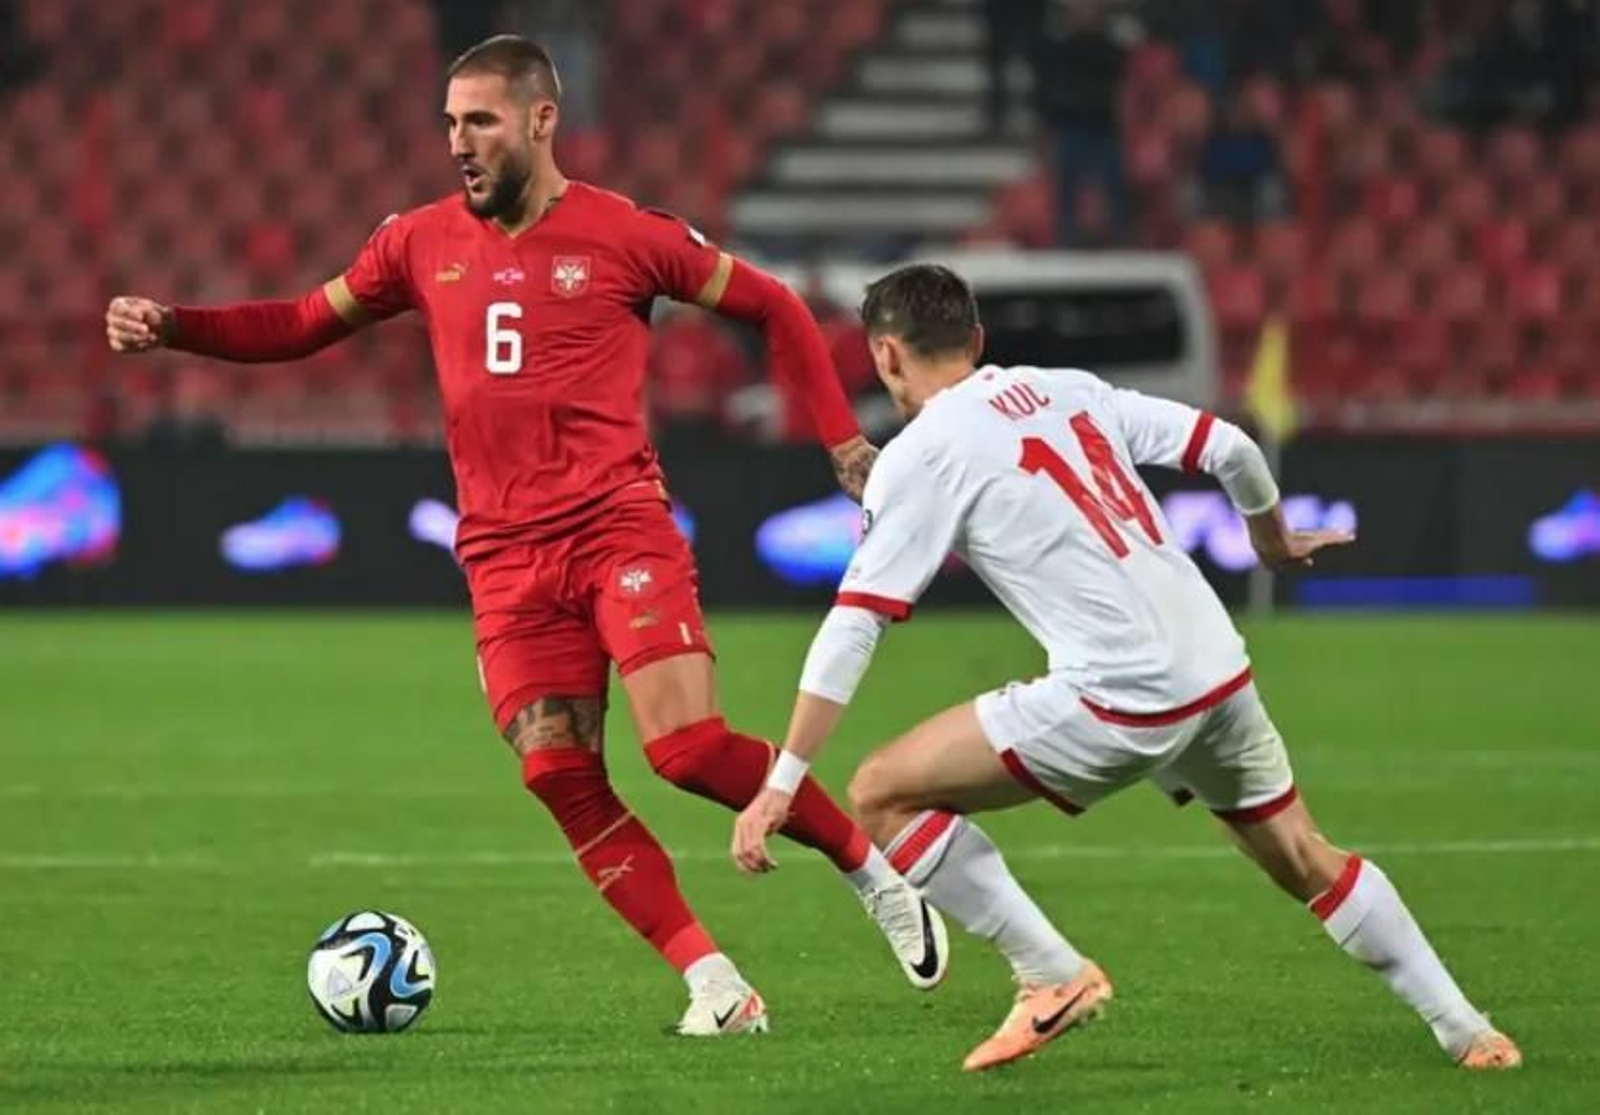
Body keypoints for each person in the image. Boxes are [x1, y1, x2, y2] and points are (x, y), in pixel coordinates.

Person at [104, 34, 947, 1038]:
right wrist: (176, 325)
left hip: (615, 524)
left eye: (481, 121)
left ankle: (873, 871)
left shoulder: (627, 234)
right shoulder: (415, 242)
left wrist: (843, 440)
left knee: (684, 748)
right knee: (556, 771)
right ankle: (715, 982)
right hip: (503, 554)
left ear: (541, 121)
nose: (459, 142)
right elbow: (297, 322)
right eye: (450, 123)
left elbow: (770, 306)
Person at [731, 263, 1522, 1073]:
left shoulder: (922, 454)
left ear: (887, 356)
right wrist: (1271, 538)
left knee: (881, 793)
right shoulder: (1069, 389)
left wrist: (784, 780)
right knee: (1303, 854)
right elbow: (1233, 446)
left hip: (1123, 693)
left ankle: (1051, 974)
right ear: (976, 340)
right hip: (1216, 667)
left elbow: (854, 625)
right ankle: (1470, 1031)